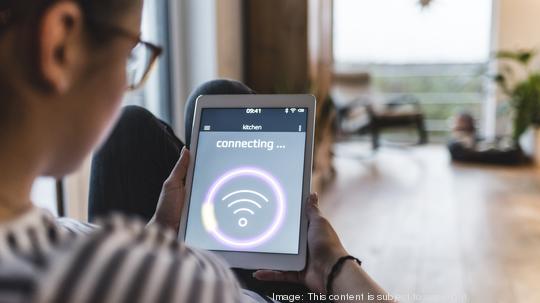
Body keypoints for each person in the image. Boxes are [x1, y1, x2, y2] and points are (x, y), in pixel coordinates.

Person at [0, 0, 394, 302]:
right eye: (130, 54)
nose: (127, 80)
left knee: (138, 122)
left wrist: (157, 238)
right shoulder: (188, 285)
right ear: (59, 43)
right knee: (218, 97)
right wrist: (334, 266)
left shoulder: (56, 244)